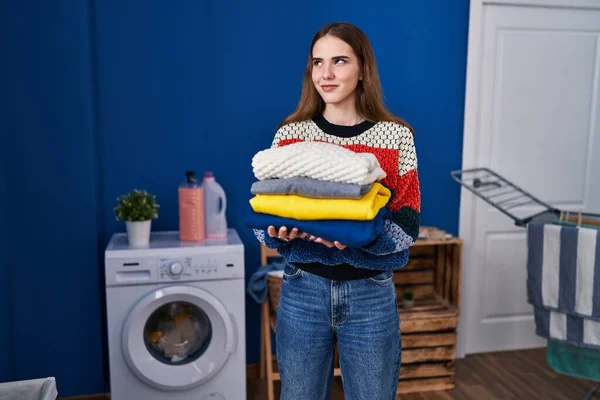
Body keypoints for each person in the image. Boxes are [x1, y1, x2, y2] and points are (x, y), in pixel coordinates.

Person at [252, 21, 421, 400]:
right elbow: (266, 214)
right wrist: (276, 233)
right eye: (317, 63)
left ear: (363, 69)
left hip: (370, 294)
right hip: (302, 290)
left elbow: (408, 224)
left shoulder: (396, 138)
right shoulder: (290, 135)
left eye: (339, 61)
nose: (326, 74)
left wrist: (357, 239)